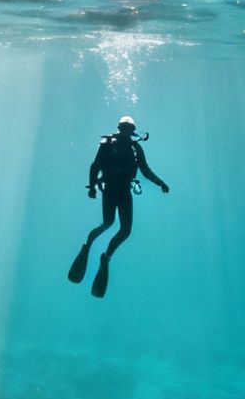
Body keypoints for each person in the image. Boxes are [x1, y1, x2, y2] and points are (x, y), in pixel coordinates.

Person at [68, 115, 169, 298]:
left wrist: (160, 183)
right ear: (119, 128)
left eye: (129, 129)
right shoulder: (107, 143)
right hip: (110, 189)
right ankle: (87, 246)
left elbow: (145, 170)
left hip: (124, 191)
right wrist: (91, 187)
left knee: (126, 230)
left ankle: (106, 258)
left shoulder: (135, 148)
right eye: (123, 128)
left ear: (133, 131)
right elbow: (95, 166)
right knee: (108, 223)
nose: (126, 132)